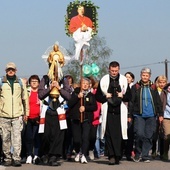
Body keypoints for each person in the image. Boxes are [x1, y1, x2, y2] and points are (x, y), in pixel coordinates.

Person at [95, 61, 131, 165]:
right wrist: (105, 97)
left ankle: (117, 155)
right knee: (109, 135)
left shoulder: (124, 80)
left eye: (116, 71)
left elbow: (129, 97)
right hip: (108, 111)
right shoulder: (104, 80)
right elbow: (97, 96)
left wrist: (122, 96)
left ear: (119, 69)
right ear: (109, 69)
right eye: (112, 70)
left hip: (120, 112)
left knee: (119, 135)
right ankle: (111, 156)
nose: (114, 72)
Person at [129, 68, 163, 163]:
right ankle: (138, 153)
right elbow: (131, 102)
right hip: (138, 114)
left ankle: (145, 155)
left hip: (151, 115)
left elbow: (158, 101)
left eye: (146, 75)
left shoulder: (153, 87)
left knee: (149, 135)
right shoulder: (136, 87)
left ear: (149, 76)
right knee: (139, 134)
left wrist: (160, 114)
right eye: (143, 75)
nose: (145, 77)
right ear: (141, 75)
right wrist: (129, 114)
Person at [0, 62, 29, 167]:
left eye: (12, 69)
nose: (10, 71)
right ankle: (7, 158)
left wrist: (26, 113)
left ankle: (16, 158)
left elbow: (25, 99)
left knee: (17, 138)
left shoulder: (20, 82)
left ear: (16, 70)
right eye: (8, 69)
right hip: (3, 115)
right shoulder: (1, 82)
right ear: (6, 71)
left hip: (17, 115)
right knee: (5, 138)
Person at [67, 77, 97, 164]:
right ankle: (77, 151)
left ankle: (84, 154)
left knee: (85, 137)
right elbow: (69, 104)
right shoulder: (75, 93)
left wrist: (85, 108)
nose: (85, 85)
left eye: (87, 84)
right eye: (83, 83)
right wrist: (77, 97)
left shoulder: (91, 95)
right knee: (77, 139)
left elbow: (94, 107)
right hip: (76, 119)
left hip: (86, 119)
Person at [25, 75, 41, 164]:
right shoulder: (27, 91)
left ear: (39, 83)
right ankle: (29, 155)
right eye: (32, 81)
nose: (34, 82)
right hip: (28, 118)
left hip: (37, 118)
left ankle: (36, 155)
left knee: (36, 137)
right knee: (28, 138)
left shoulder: (41, 92)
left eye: (36, 81)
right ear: (29, 82)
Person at [151, 75, 167, 159]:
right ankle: (153, 151)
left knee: (162, 135)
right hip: (154, 114)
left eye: (163, 82)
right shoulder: (154, 90)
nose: (162, 84)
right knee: (154, 134)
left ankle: (162, 152)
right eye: (160, 82)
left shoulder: (167, 91)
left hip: (164, 114)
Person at [122, 72, 135, 161]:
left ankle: (128, 153)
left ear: (132, 79)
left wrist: (129, 114)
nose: (127, 78)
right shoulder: (121, 87)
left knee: (130, 134)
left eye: (129, 77)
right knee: (121, 133)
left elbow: (132, 102)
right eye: (126, 77)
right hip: (121, 112)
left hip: (130, 113)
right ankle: (120, 151)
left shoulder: (134, 88)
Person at [162, 82, 170, 161]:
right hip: (167, 116)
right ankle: (165, 152)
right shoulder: (165, 90)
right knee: (167, 136)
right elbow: (161, 103)